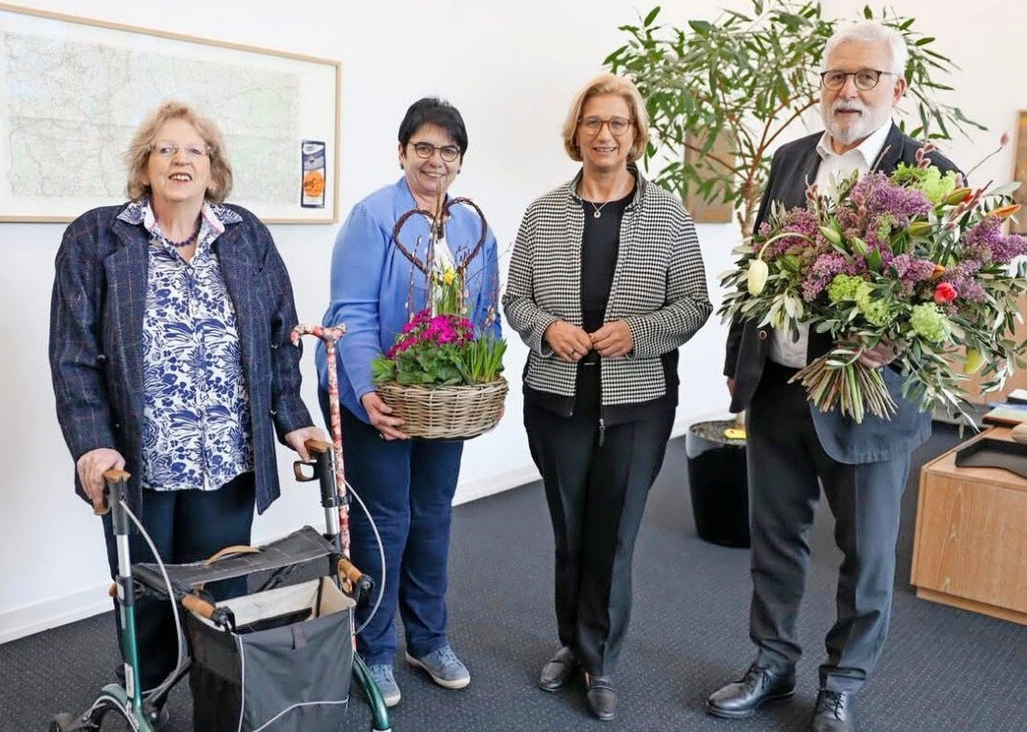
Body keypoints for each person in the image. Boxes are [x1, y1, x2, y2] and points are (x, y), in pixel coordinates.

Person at [709, 22, 959, 732]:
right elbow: (755, 268)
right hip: (779, 389)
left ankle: (843, 682)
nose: (848, 90)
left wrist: (895, 346)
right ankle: (772, 663)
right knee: (774, 539)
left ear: (897, 88)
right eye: (836, 76)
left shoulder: (928, 173)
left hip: (871, 402)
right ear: (821, 85)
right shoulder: (791, 159)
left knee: (867, 553)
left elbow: (954, 297)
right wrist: (738, 366)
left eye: (867, 77)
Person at [49, 101, 325, 720]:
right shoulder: (97, 238)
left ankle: (218, 711)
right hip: (139, 464)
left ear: (213, 168)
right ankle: (145, 704)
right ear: (144, 167)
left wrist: (295, 420)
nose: (180, 160)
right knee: (147, 600)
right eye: (165, 149)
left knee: (220, 600)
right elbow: (73, 358)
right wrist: (91, 443)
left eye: (194, 150)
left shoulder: (246, 233)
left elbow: (278, 339)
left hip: (226, 458)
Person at [502, 73, 711, 721]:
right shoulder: (543, 213)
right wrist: (546, 329)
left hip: (638, 401)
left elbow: (696, 303)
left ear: (636, 135)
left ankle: (602, 660)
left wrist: (640, 332)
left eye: (618, 123)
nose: (605, 134)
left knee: (613, 535)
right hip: (556, 398)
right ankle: (571, 642)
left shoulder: (668, 212)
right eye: (593, 122)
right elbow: (516, 299)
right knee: (570, 531)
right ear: (577, 133)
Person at [315, 97, 500, 708]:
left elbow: (484, 317)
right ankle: (374, 651)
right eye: (423, 147)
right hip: (377, 393)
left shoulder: (473, 225)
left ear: (460, 161)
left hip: (442, 400)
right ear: (402, 152)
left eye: (448, 150)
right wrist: (369, 393)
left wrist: (482, 378)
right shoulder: (373, 217)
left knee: (432, 515)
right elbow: (352, 315)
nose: (435, 160)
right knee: (384, 520)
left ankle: (429, 638)